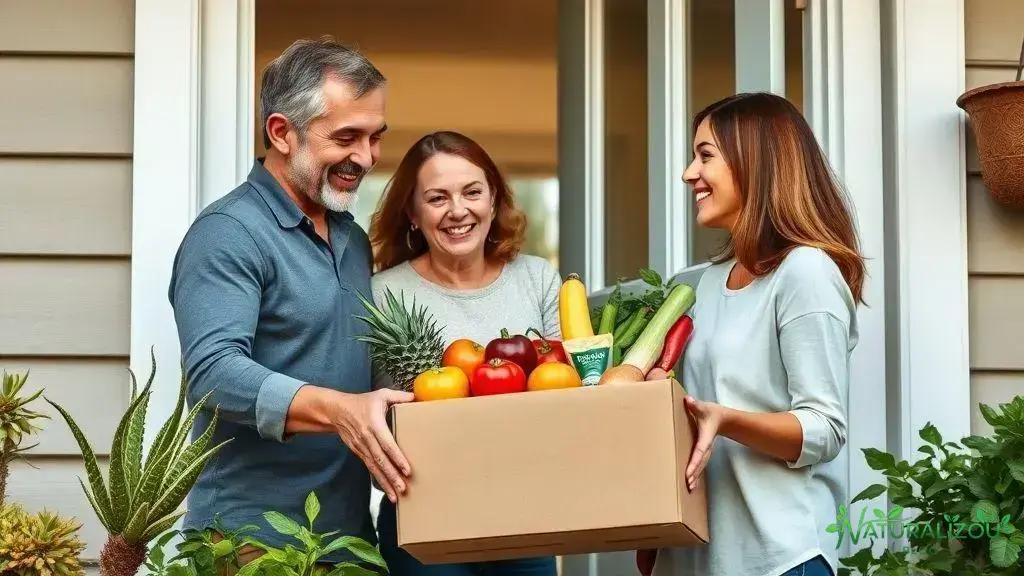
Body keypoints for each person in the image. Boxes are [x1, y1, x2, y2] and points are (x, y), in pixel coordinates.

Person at [167, 38, 414, 572]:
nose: (367, 158)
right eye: (346, 137)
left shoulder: (349, 238)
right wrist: (340, 410)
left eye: (375, 137)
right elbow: (212, 374)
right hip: (249, 546)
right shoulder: (229, 233)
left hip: (348, 541)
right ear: (282, 133)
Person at [647, 92, 863, 576]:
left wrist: (726, 419)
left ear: (756, 164)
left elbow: (824, 429)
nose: (688, 173)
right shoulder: (702, 283)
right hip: (704, 556)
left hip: (780, 557)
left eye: (705, 156)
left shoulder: (805, 274)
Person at [367, 130, 561, 576]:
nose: (458, 211)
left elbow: (567, 392)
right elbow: (367, 413)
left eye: (472, 192)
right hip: (422, 518)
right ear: (413, 214)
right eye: (437, 198)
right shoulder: (382, 294)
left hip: (525, 516)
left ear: (494, 200)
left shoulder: (537, 280)